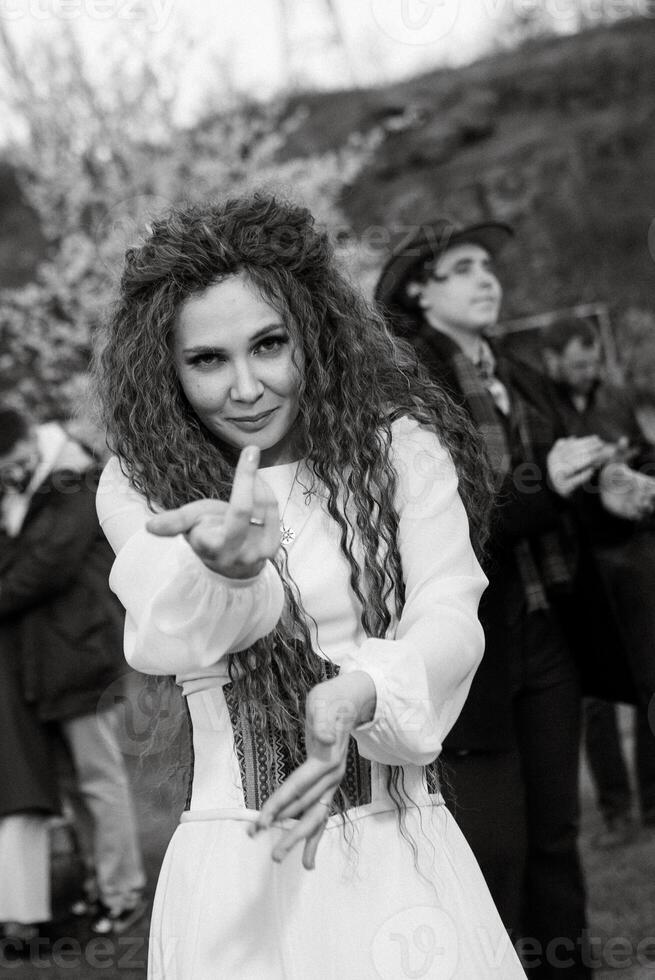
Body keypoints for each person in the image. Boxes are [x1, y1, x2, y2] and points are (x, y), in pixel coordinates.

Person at [95, 194, 526, 979]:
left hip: (401, 851)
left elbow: (449, 615)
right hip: (237, 866)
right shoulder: (140, 482)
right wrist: (231, 569)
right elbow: (167, 636)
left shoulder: (398, 448)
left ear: (313, 334)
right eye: (207, 360)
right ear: (168, 370)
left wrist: (361, 690)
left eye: (268, 345)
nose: (246, 386)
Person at [374, 220, 607, 978]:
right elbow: (448, 524)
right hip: (470, 646)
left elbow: (560, 478)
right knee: (493, 846)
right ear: (419, 288)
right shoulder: (406, 381)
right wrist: (548, 489)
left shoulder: (516, 370)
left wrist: (604, 490)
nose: (487, 278)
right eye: (463, 267)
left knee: (556, 834)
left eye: (488, 266)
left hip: (549, 626)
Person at [0, 409, 147, 944]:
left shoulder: (75, 483)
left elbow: (44, 566)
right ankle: (99, 884)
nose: (11, 474)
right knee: (77, 787)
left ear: (30, 447)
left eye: (13, 463)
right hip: (47, 665)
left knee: (99, 781)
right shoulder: (35, 493)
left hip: (82, 657)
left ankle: (124, 892)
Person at [542, 318, 655, 844]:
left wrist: (638, 477)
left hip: (633, 559)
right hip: (580, 569)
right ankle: (616, 813)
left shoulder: (614, 399)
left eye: (592, 363)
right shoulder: (543, 408)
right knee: (596, 700)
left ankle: (653, 806)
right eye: (577, 363)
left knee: (649, 681)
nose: (586, 372)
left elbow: (647, 457)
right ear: (554, 360)